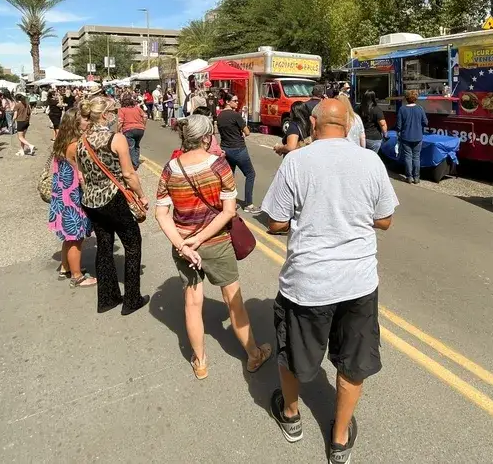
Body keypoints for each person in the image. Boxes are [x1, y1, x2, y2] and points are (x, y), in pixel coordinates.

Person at [262, 100, 398, 461]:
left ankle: (291, 414)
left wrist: (311, 220)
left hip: (308, 282)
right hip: (358, 282)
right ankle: (339, 440)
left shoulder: (296, 161)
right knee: (353, 362)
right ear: (350, 123)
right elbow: (384, 219)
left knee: (292, 352)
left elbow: (274, 222)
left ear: (313, 123)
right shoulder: (371, 161)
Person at [154, 114, 272, 380]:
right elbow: (229, 211)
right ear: (207, 137)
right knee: (234, 301)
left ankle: (201, 361)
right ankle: (254, 354)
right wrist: (200, 238)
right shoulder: (219, 166)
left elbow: (161, 214)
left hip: (183, 243)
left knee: (192, 302)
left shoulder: (170, 168)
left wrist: (185, 245)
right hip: (217, 242)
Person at [74, 96, 150, 315]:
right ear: (105, 115)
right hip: (114, 197)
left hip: (91, 199)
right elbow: (128, 173)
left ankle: (107, 298)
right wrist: (141, 195)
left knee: (104, 245)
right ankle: (132, 298)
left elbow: (82, 174)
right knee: (133, 244)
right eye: (114, 112)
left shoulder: (82, 141)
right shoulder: (116, 139)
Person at [49, 109, 96, 288]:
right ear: (75, 123)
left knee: (69, 237)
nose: (88, 121)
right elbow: (84, 171)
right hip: (73, 196)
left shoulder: (62, 141)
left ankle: (66, 267)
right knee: (76, 237)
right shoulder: (75, 145)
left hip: (63, 194)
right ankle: (77, 276)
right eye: (85, 119)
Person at [216, 95, 259, 214]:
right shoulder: (235, 115)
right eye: (234, 101)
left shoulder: (220, 116)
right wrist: (242, 132)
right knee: (250, 174)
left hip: (225, 148)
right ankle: (249, 204)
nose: (237, 102)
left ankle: (230, 203)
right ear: (227, 102)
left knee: (230, 176)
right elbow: (247, 132)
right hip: (238, 148)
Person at [396, 89, 429, 184]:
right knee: (416, 157)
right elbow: (425, 122)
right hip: (418, 136)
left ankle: (409, 177)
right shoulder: (420, 108)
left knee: (408, 157)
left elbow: (398, 126)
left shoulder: (402, 109)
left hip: (406, 136)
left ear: (406, 98)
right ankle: (417, 177)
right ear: (415, 98)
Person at [116, 90, 147, 170]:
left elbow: (120, 122)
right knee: (137, 145)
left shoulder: (122, 110)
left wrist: (118, 131)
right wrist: (144, 124)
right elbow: (145, 116)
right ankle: (136, 161)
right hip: (140, 129)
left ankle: (134, 164)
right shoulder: (137, 108)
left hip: (128, 129)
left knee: (131, 147)